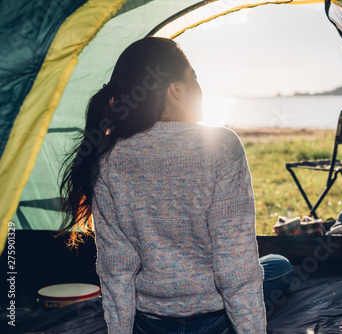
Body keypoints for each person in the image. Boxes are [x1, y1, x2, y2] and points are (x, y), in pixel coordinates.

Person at [58, 37, 293, 334]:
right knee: (280, 265)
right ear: (176, 89)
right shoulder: (222, 145)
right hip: (215, 320)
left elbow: (116, 267)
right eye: (193, 77)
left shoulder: (108, 155)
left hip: (148, 323)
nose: (199, 88)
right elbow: (235, 263)